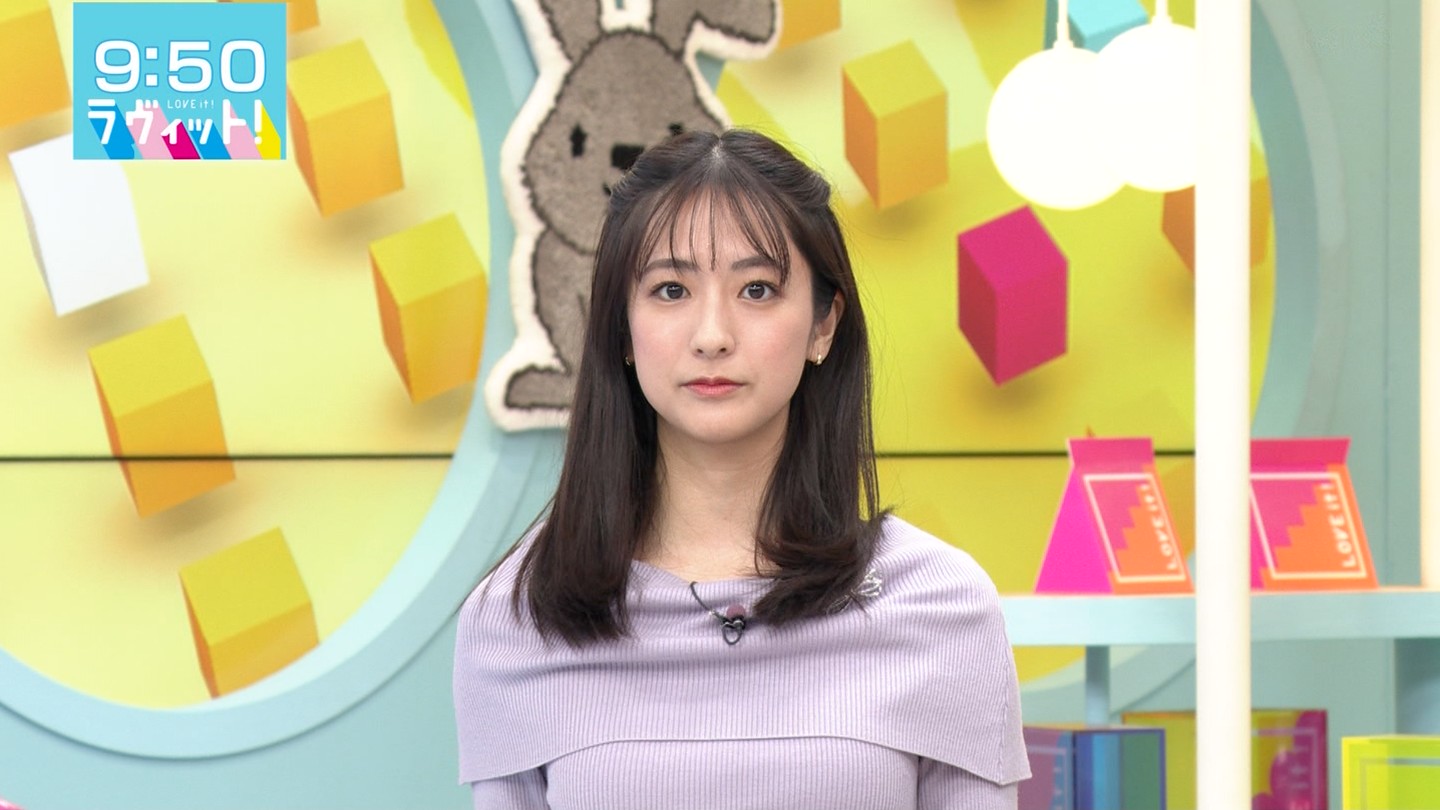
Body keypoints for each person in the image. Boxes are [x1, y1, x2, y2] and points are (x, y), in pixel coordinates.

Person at [453, 129, 1029, 809]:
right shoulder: (519, 614)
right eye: (671, 290)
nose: (712, 336)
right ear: (621, 328)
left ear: (823, 325)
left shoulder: (939, 604)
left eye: (757, 289)